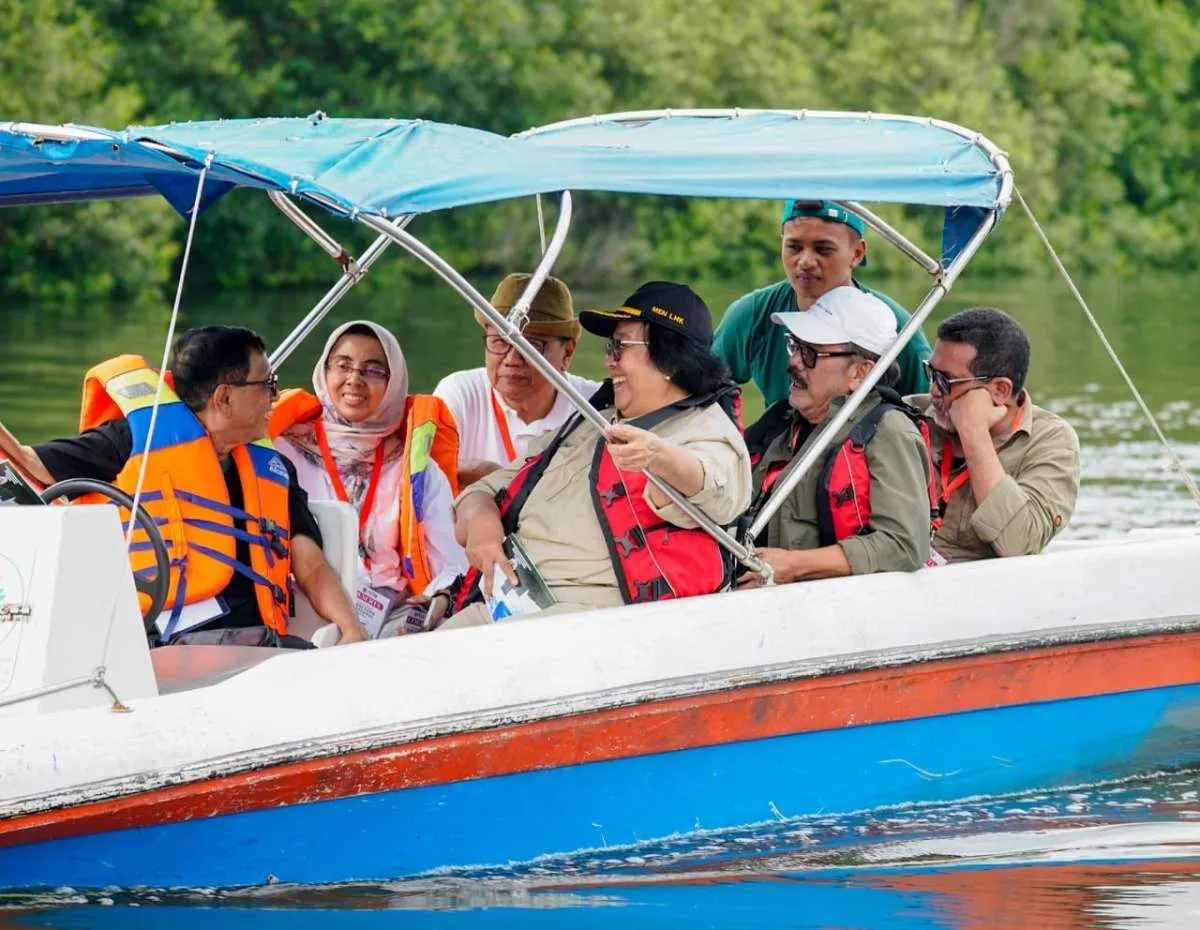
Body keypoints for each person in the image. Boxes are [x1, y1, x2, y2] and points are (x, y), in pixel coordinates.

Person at [0, 326, 365, 646]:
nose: (275, 396)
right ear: (224, 397)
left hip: (257, 646)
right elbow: (25, 465)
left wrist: (352, 630)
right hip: (146, 646)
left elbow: (311, 565)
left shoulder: (273, 468)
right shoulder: (129, 440)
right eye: (267, 384)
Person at [440, 281, 752, 628]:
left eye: (620, 347)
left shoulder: (704, 430)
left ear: (671, 360)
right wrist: (481, 523)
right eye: (609, 347)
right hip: (507, 600)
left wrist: (658, 456)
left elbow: (719, 493)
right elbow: (484, 489)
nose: (608, 361)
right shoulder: (592, 421)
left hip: (585, 617)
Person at [270, 320, 468, 637]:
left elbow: (451, 561)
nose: (354, 380)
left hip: (391, 612)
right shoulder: (280, 453)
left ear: (394, 382)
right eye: (343, 366)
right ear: (325, 372)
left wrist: (441, 596)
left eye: (373, 370)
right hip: (300, 604)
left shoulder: (415, 467)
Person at [738, 287, 935, 585]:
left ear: (860, 372)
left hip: (830, 610)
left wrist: (792, 565)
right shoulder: (781, 422)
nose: (793, 363)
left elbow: (904, 544)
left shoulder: (889, 430)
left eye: (810, 353)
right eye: (794, 345)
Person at [713, 199, 932, 406]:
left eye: (823, 249)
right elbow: (700, 391)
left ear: (857, 253)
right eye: (794, 247)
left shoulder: (899, 329)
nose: (805, 261)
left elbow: (925, 415)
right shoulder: (752, 314)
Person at [908, 307, 1080, 563]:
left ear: (1000, 390)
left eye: (946, 381)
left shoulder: (1052, 442)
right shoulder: (909, 416)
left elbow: (1020, 544)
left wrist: (974, 433)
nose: (933, 390)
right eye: (931, 373)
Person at [434, 273, 601, 485]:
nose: (512, 359)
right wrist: (485, 471)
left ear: (567, 352)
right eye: (499, 342)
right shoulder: (460, 393)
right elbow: (422, 470)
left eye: (531, 345)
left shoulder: (595, 406)